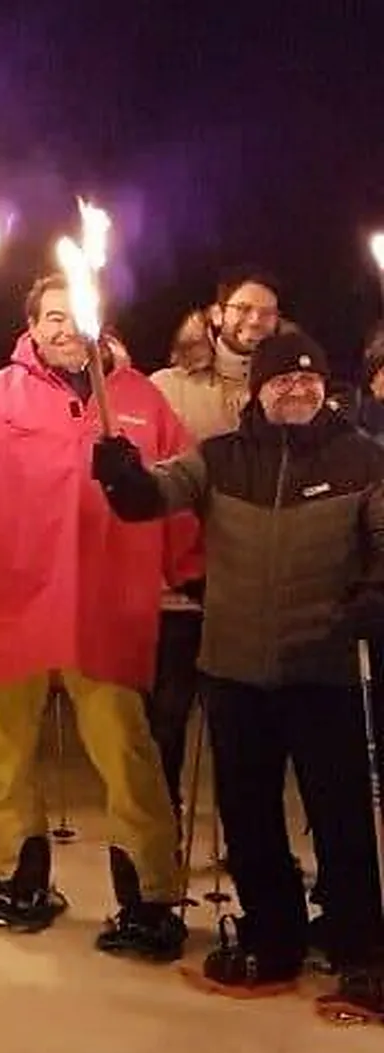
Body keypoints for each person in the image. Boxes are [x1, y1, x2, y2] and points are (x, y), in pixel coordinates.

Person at [93, 328, 384, 1017]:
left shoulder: (363, 460)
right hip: (235, 670)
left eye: (310, 380)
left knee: (340, 815)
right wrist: (120, 474)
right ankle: (271, 933)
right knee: (248, 815)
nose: (298, 389)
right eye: (284, 379)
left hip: (325, 666)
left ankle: (359, 946)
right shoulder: (219, 458)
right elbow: (149, 499)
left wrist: (373, 598)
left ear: (326, 388)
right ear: (259, 389)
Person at [0, 273, 191, 960]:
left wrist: (193, 572)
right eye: (52, 319)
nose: (65, 330)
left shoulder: (139, 399)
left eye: (77, 317)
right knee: (6, 751)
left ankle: (150, 895)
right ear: (32, 328)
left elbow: (180, 493)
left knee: (127, 755)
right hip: (14, 599)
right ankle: (18, 880)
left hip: (105, 600)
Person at [144, 272, 278, 815]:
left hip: (246, 582)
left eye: (267, 312)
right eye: (243, 308)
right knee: (168, 715)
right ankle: (162, 830)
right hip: (179, 583)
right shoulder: (168, 387)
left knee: (244, 725)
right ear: (217, 313)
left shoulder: (284, 388)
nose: (254, 321)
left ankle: (248, 837)